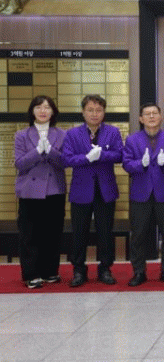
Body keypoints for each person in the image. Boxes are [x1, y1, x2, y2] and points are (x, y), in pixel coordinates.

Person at [62, 94, 124, 287]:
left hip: (105, 190)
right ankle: (78, 270)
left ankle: (105, 269)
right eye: (90, 110)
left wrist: (102, 155)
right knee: (79, 232)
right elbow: (66, 159)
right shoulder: (72, 134)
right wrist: (87, 158)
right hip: (81, 190)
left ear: (104, 112)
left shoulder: (113, 132)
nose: (94, 114)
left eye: (98, 110)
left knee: (105, 231)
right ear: (83, 112)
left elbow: (120, 155)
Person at [122, 103, 164, 286]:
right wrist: (141, 164)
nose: (151, 117)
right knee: (138, 235)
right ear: (141, 119)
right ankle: (139, 272)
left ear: (161, 116)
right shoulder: (132, 140)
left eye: (155, 113)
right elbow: (126, 164)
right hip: (141, 194)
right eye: (147, 114)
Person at [14, 96, 66, 289]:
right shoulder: (22, 135)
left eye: (47, 107)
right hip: (29, 190)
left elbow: (65, 162)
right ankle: (31, 274)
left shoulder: (62, 134)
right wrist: (37, 152)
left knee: (52, 232)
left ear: (53, 112)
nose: (43, 111)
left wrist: (50, 151)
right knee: (29, 234)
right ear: (32, 111)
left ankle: (50, 271)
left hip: (54, 189)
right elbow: (19, 163)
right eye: (38, 107)